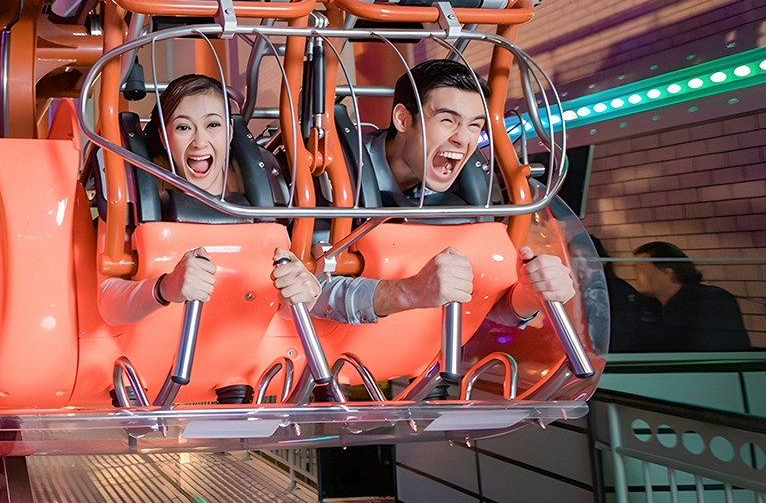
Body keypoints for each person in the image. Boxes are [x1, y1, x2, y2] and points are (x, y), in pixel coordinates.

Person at [314, 58, 576, 334]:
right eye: (448, 120)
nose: (463, 139)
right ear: (403, 119)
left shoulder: (471, 197)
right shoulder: (331, 177)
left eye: (475, 126)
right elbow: (302, 292)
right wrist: (407, 292)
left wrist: (529, 294)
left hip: (417, 361)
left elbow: (482, 307)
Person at [97, 74, 322, 325]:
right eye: (183, 127)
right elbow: (107, 305)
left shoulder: (270, 196)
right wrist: (163, 288)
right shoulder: (131, 197)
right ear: (164, 136)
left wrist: (306, 293)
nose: (199, 142)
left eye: (212, 125)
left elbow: (277, 311)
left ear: (230, 130)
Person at [630, 241, 752, 351]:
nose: (635, 275)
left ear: (667, 272)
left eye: (640, 269)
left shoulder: (709, 300)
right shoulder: (647, 305)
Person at [590, 235, 661, 352]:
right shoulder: (576, 293)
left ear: (602, 263)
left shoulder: (618, 295)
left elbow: (621, 342)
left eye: (586, 258)